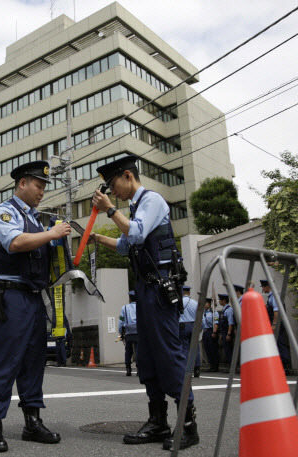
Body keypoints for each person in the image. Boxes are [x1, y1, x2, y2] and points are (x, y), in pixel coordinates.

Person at [91, 154, 198, 451]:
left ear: (128, 176)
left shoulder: (152, 200)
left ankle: (188, 425)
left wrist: (109, 209)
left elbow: (136, 235)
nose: (113, 192)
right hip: (145, 290)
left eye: (113, 185)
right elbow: (126, 245)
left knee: (168, 353)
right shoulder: (136, 208)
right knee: (148, 356)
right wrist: (99, 238)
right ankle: (157, 421)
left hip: (160, 290)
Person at [0, 160, 69, 453]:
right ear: (22, 183)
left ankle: (33, 422)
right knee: (5, 361)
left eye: (44, 187)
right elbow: (15, 243)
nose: (42, 191)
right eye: (38, 185)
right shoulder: (5, 212)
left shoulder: (36, 220)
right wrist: (53, 235)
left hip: (33, 296)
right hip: (10, 296)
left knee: (34, 361)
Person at [260, 280, 292, 374]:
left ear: (267, 286)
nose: (262, 289)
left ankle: (285, 367)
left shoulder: (274, 296)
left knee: (280, 343)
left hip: (277, 324)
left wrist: (274, 324)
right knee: (277, 344)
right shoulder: (270, 297)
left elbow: (276, 311)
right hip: (275, 324)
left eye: (263, 287)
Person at [179, 286, 201, 378]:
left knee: (184, 347)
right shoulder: (195, 303)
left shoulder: (179, 303)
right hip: (194, 325)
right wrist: (200, 327)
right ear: (189, 292)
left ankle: (186, 368)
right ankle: (197, 368)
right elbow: (200, 316)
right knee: (195, 347)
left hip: (182, 326)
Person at [119, 290, 138, 377]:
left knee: (128, 351)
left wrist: (120, 332)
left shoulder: (124, 308)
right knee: (139, 351)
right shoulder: (140, 306)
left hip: (128, 332)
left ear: (130, 298)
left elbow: (121, 320)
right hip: (138, 332)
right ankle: (139, 368)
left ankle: (128, 368)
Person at [218, 294, 236, 373]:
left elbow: (230, 323)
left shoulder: (229, 310)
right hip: (224, 332)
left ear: (224, 300)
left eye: (220, 300)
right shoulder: (224, 310)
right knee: (226, 350)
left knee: (229, 350)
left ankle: (232, 367)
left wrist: (229, 333)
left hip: (227, 332)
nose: (219, 301)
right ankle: (229, 366)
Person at [201, 298, 220, 372]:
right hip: (205, 332)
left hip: (211, 331)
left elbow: (216, 323)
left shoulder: (214, 312)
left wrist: (214, 332)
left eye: (206, 303)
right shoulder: (203, 312)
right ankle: (211, 365)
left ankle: (215, 366)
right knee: (207, 349)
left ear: (209, 304)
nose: (205, 305)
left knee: (213, 349)